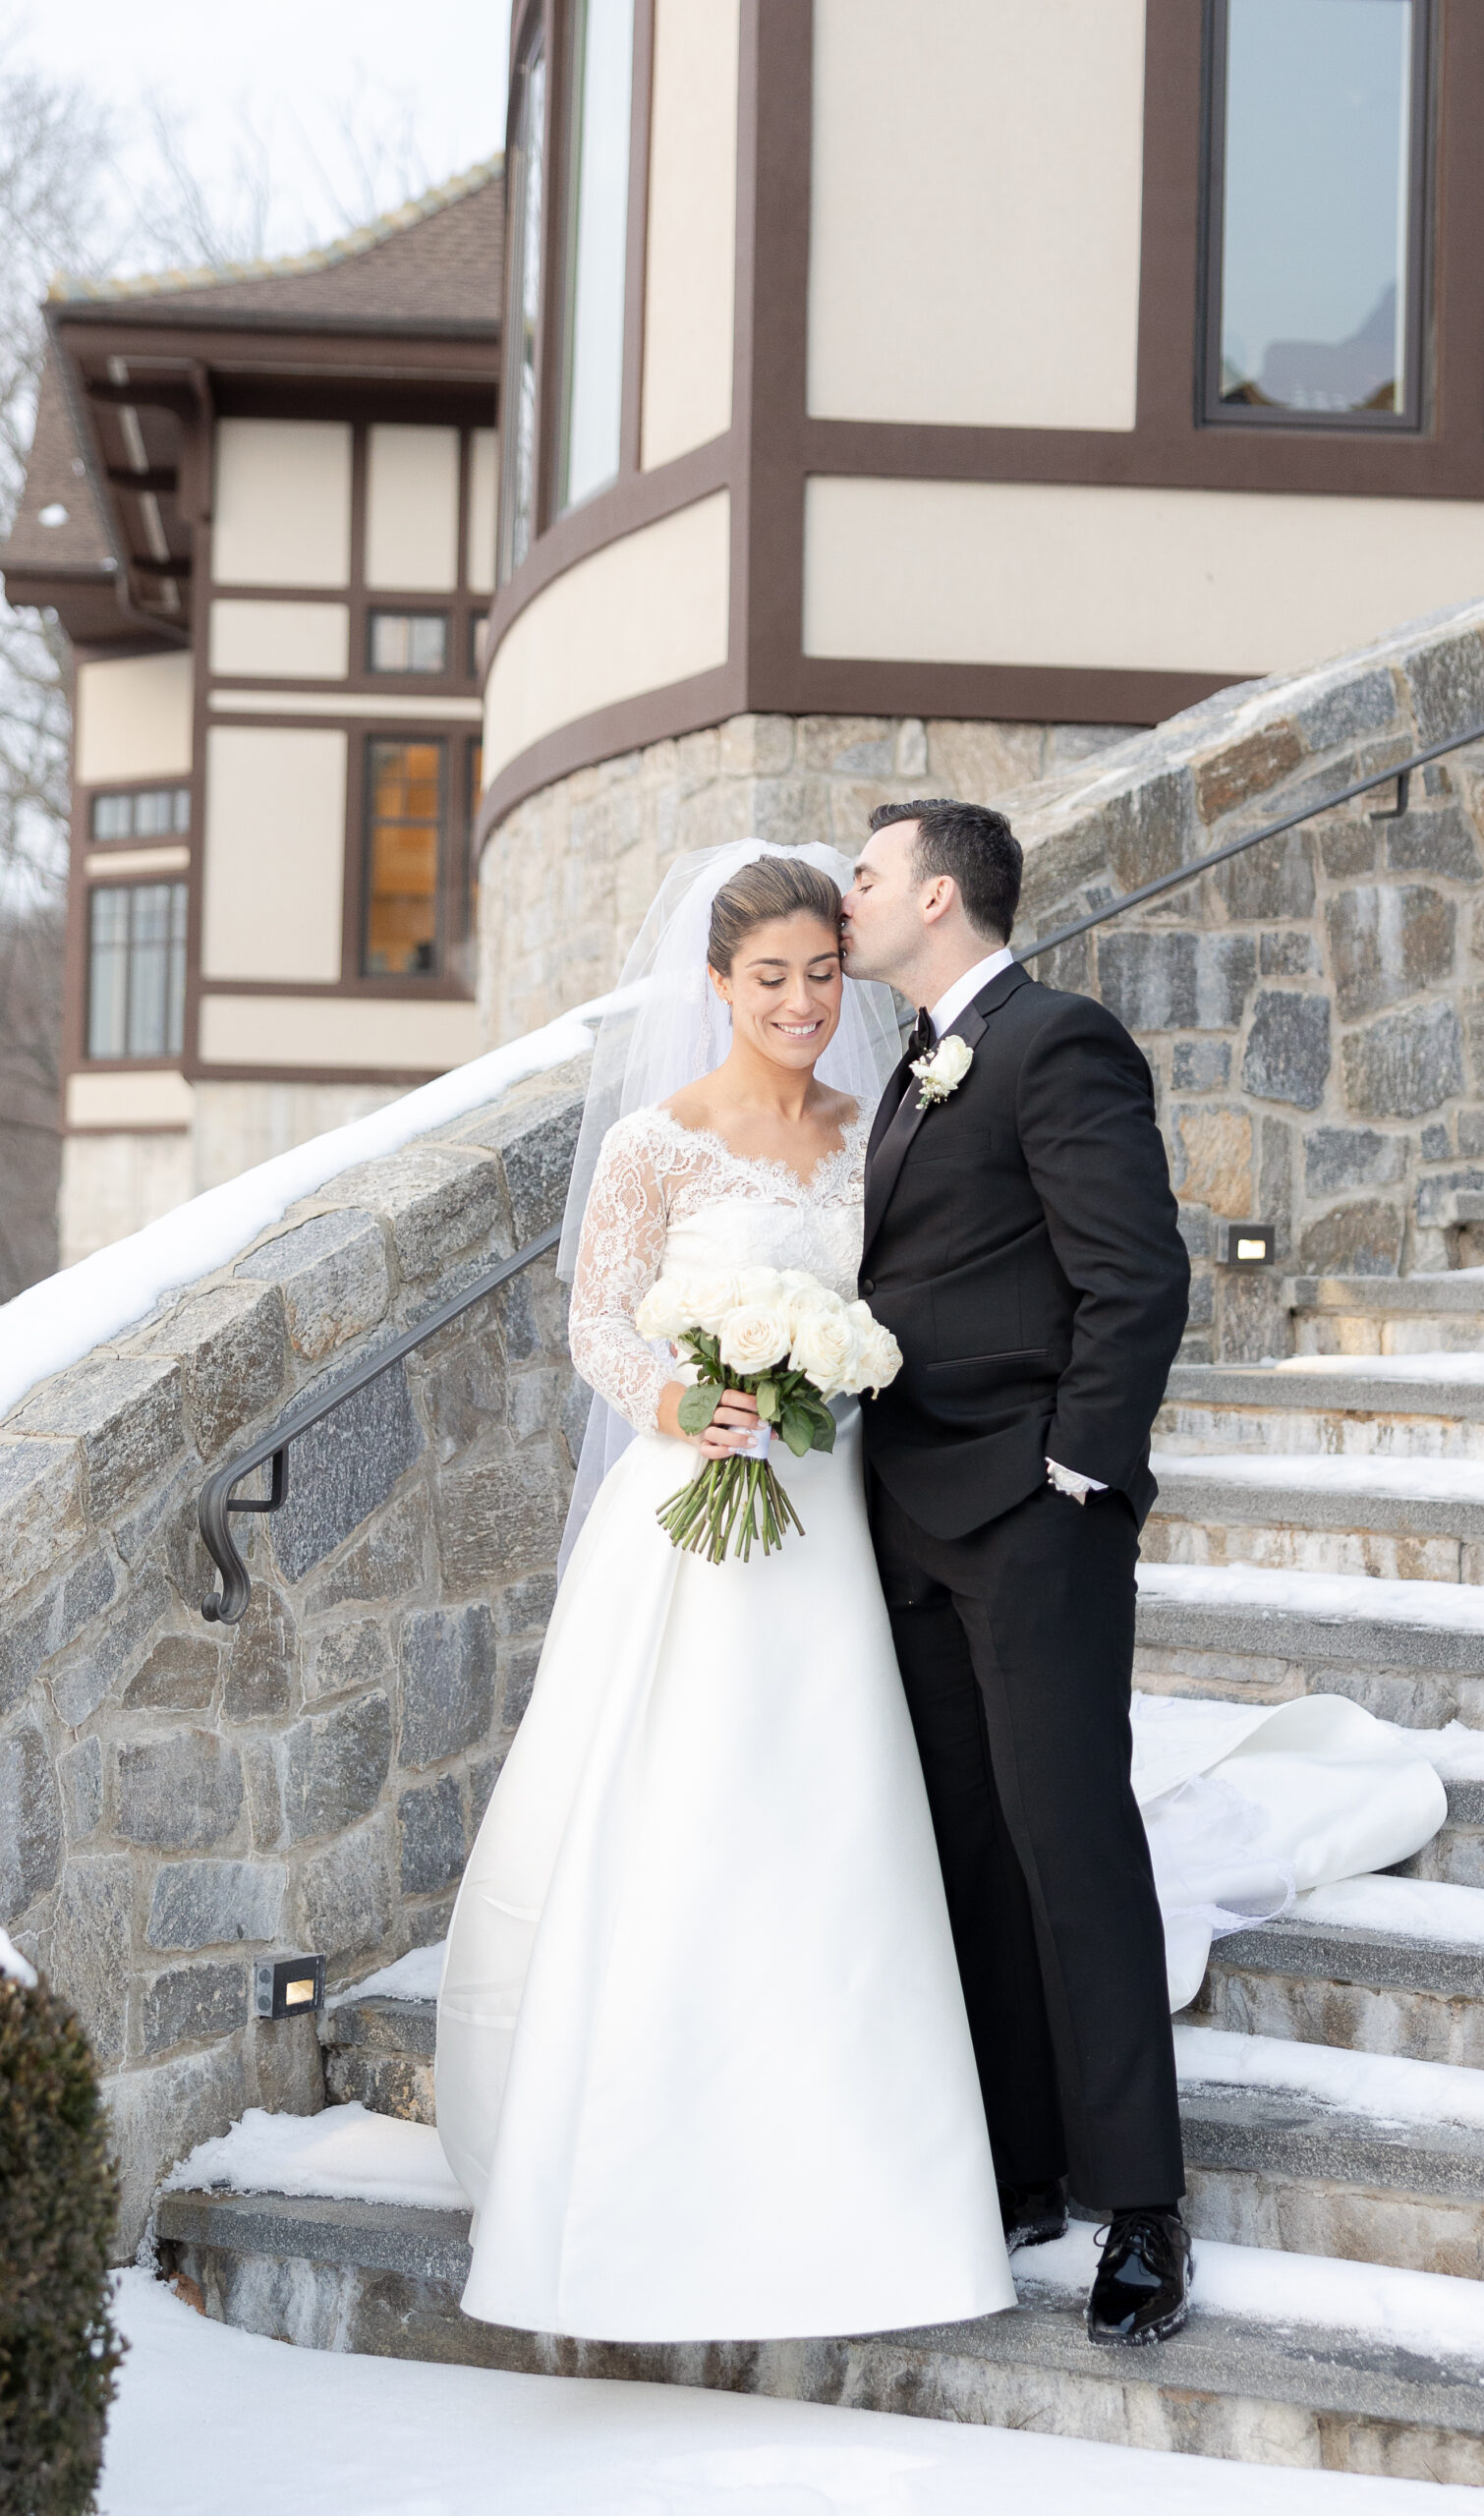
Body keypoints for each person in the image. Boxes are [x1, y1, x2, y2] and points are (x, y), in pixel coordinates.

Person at [433, 842, 1016, 2343]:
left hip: (835, 1519)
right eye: (769, 978)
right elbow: (594, 1324)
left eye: (822, 974)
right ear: (715, 983)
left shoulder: (875, 1132)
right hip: (692, 1524)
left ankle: (865, 2161)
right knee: (684, 1804)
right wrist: (681, 1405)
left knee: (833, 1808)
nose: (801, 1002)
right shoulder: (657, 1142)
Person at [839, 799, 1198, 2343]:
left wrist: (1076, 1468)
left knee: (1070, 1843)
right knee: (969, 1855)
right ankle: (1021, 2164)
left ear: (937, 895)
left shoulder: (1055, 1040)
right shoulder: (910, 1065)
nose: (845, 897)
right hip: (905, 1510)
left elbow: (1135, 1272)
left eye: (865, 875)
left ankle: (1142, 2205)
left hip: (1030, 1515)